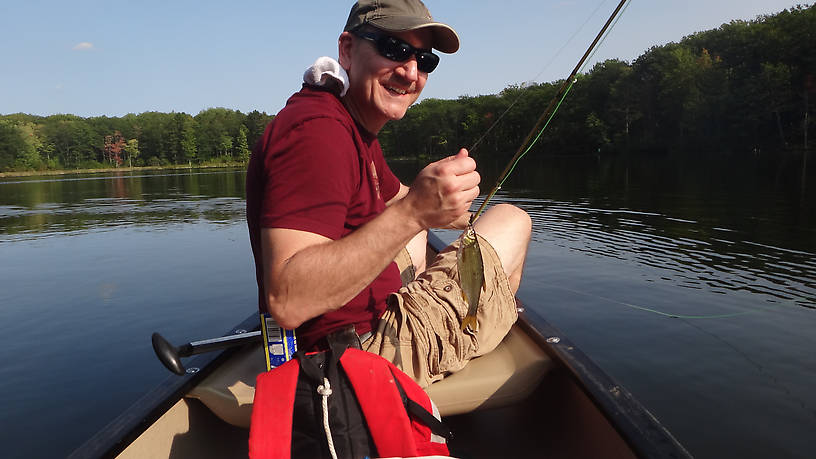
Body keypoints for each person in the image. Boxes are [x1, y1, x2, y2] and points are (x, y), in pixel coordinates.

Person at [246, 0, 531, 388]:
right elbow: (287, 301)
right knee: (513, 220)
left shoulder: (348, 121)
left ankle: (466, 318)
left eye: (424, 59)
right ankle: (479, 331)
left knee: (424, 232)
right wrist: (415, 212)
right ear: (347, 49)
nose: (410, 71)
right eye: (393, 49)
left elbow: (397, 197)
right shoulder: (318, 133)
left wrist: (451, 204)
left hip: (342, 338)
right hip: (355, 357)